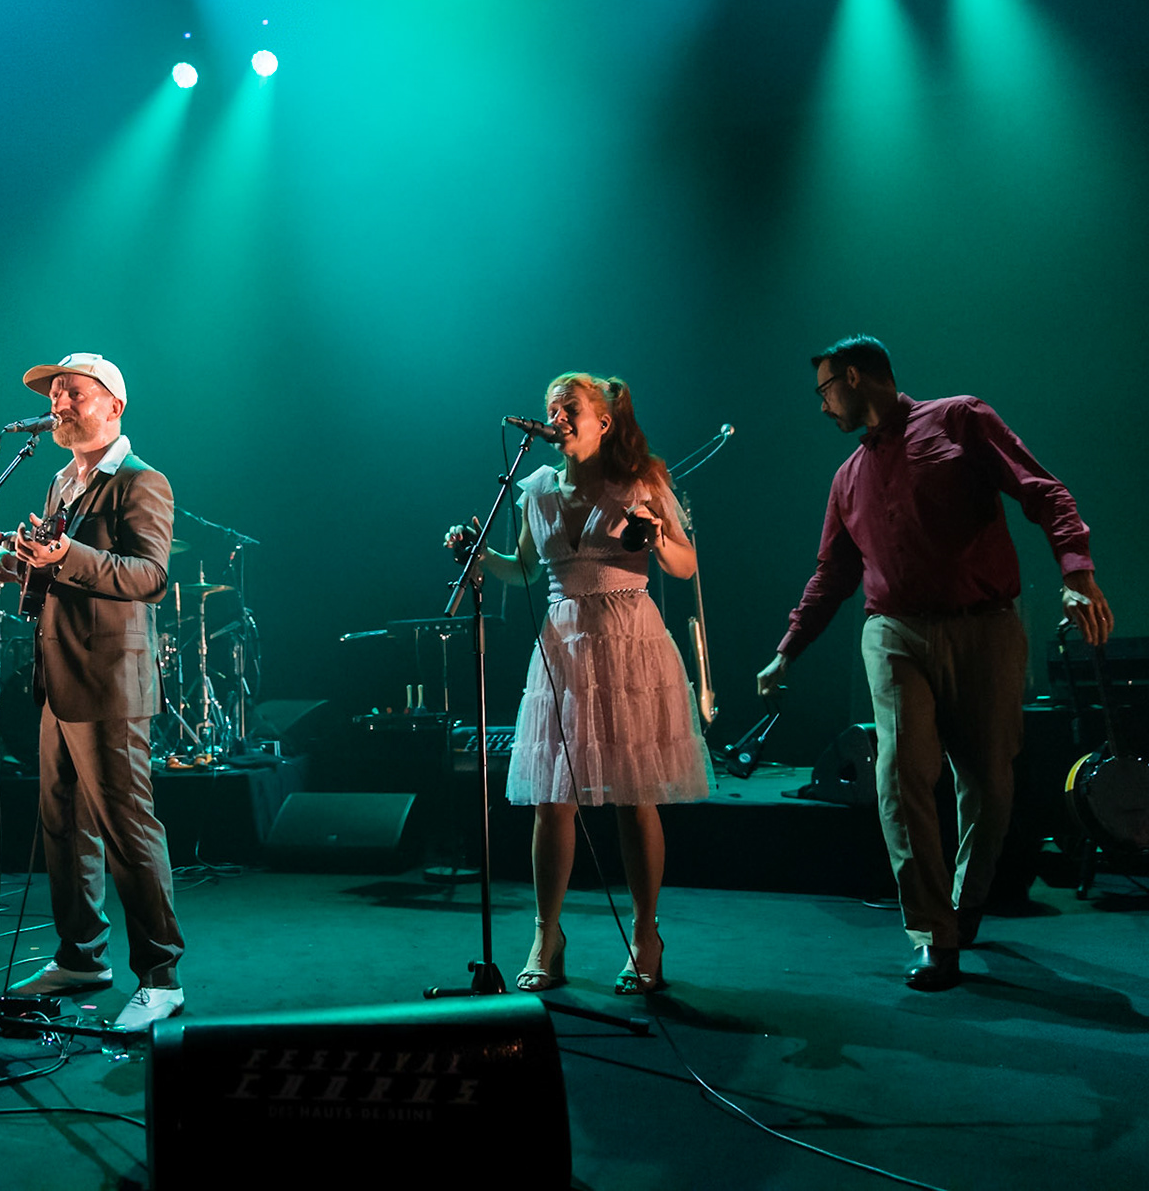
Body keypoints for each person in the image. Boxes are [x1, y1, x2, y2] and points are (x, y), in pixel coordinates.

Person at [756, 335, 1114, 992]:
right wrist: (788, 650)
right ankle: (931, 931)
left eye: (825, 389)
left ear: (857, 378)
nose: (822, 406)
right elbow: (833, 575)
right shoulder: (847, 478)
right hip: (893, 633)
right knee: (900, 773)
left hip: (985, 628)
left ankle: (966, 898)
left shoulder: (959, 419)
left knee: (988, 781)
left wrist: (1076, 571)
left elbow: (1045, 492)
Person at [448, 372, 713, 995]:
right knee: (552, 798)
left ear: (604, 419)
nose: (557, 416)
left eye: (569, 408)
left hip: (627, 637)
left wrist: (654, 538)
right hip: (561, 642)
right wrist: (475, 557)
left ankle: (646, 935)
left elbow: (685, 562)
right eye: (551, 409)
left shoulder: (641, 479)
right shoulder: (535, 488)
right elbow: (521, 569)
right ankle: (547, 934)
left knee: (632, 793)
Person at [0, 353, 185, 1034]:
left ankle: (161, 977)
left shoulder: (139, 480)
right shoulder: (62, 482)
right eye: (54, 393)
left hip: (109, 682)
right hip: (58, 676)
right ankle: (81, 956)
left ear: (113, 405)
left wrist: (64, 557)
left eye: (72, 391)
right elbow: (58, 577)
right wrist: (19, 568)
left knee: (128, 829)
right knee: (62, 824)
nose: (59, 402)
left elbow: (149, 576)